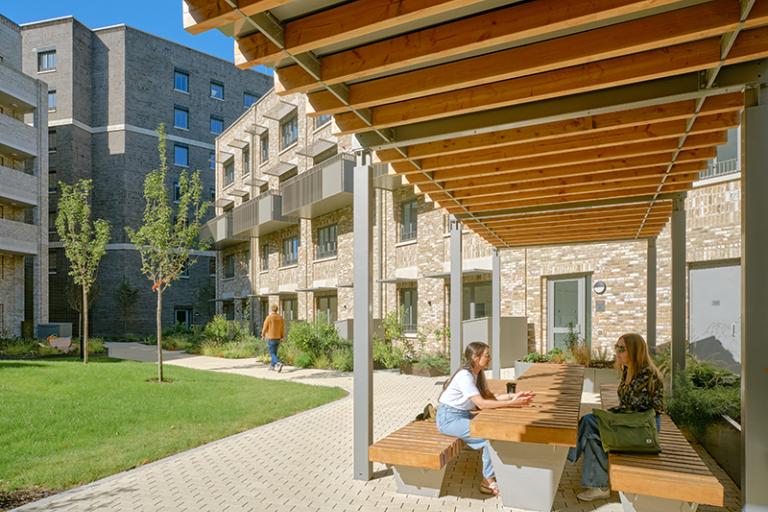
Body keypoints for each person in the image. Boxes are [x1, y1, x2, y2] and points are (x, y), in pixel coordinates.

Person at [569, 332, 664, 502]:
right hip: (631, 422)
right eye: (616, 347)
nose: (617, 352)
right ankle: (599, 486)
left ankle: (570, 458)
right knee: (593, 434)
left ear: (634, 351)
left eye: (622, 349)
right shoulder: (628, 369)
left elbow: (637, 407)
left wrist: (610, 416)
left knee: (590, 421)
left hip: (643, 429)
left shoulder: (646, 373)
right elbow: (627, 406)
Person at [436, 341, 535, 497]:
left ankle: (501, 470)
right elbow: (481, 404)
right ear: (476, 357)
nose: (490, 358)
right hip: (449, 419)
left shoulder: (477, 373)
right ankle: (487, 481)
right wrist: (512, 403)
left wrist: (513, 396)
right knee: (490, 437)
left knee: (495, 429)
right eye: (487, 355)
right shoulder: (465, 376)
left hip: (461, 415)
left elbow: (489, 397)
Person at [261, 304, 285, 372]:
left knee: (272, 353)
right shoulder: (280, 318)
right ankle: (272, 366)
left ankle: (278, 363)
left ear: (271, 309)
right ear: (277, 309)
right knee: (275, 353)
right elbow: (282, 328)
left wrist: (262, 335)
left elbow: (265, 327)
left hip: (271, 337)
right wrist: (282, 337)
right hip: (278, 337)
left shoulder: (269, 317)